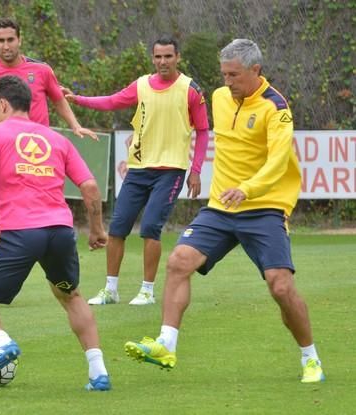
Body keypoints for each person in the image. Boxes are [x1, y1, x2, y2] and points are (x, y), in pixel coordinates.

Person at [124, 39, 325, 383]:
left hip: (264, 207)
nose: (227, 81)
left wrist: (247, 188)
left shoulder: (275, 107)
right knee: (178, 262)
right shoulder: (218, 97)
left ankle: (311, 358)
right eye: (224, 74)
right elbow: (176, 113)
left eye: (234, 75)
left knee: (280, 287)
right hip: (220, 207)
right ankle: (166, 344)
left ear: (255, 70)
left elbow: (279, 161)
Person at [0, 75, 111, 391]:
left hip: (19, 231)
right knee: (70, 295)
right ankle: (99, 373)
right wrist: (97, 228)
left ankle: (1, 343)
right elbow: (90, 186)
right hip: (59, 231)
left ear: (2, 104)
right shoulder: (58, 139)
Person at [63, 36, 210, 306]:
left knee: (151, 227)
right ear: (152, 58)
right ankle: (111, 290)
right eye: (158, 57)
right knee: (118, 228)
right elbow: (111, 101)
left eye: (168, 56)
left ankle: (147, 290)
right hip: (139, 168)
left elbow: (202, 131)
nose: (163, 61)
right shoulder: (142, 85)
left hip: (171, 170)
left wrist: (196, 170)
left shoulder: (190, 90)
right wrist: (77, 100)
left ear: (178, 57)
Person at [0, 17, 97, 178]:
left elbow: (59, 100)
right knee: (5, 199)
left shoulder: (42, 70)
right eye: (1, 41)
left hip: (39, 152)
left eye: (10, 40)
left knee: (43, 197)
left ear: (19, 40)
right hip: (5, 150)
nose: (6, 46)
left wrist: (75, 126)